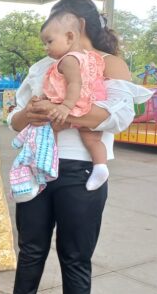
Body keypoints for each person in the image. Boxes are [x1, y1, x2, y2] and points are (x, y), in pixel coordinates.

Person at [7, 0, 153, 294]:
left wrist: (59, 115)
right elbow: (15, 117)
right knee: (30, 253)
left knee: (75, 259)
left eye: (54, 33)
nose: (49, 43)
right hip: (36, 171)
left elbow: (117, 117)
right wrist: (28, 116)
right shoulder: (42, 66)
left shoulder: (108, 63)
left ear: (77, 27)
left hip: (82, 173)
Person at [41, 12, 109, 191]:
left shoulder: (68, 60)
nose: (46, 47)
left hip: (75, 105)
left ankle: (48, 161)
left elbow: (74, 83)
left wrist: (66, 106)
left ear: (70, 37)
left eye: (49, 41)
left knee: (51, 128)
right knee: (92, 140)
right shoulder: (87, 56)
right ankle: (100, 166)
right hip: (90, 102)